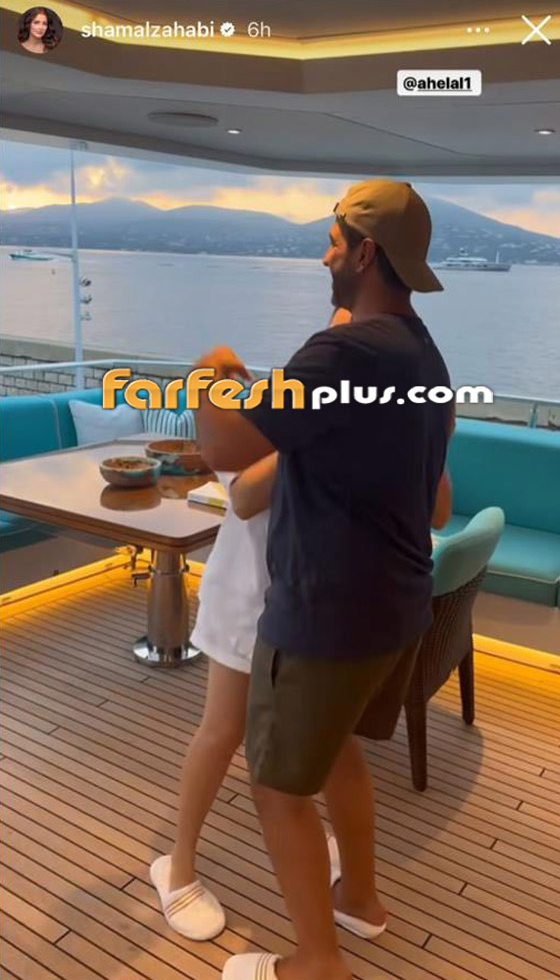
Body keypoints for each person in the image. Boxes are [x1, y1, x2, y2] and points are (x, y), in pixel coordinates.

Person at [192, 179, 454, 980]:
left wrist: (209, 374)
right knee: (337, 751)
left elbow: (224, 450)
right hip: (396, 610)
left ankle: (316, 961)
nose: (324, 256)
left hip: (324, 618)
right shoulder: (421, 352)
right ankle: (360, 902)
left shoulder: (344, 353)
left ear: (366, 253)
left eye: (333, 243)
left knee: (277, 788)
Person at [150, 308, 357, 939]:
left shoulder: (339, 420)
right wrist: (312, 433)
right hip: (246, 602)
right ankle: (177, 865)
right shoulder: (257, 423)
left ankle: (320, 843)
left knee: (327, 738)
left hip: (310, 605)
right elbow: (243, 495)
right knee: (223, 732)